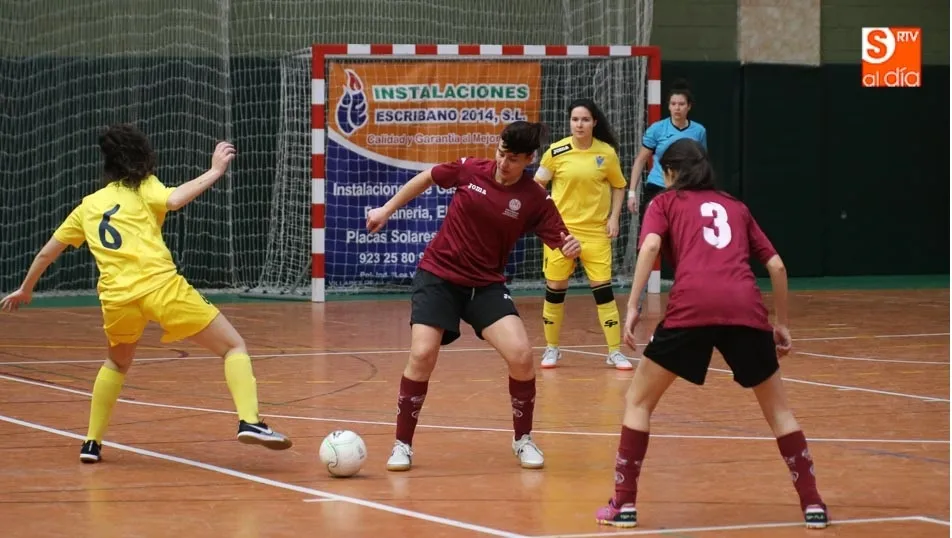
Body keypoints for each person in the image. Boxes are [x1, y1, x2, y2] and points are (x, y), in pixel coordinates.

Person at [0, 124, 292, 463]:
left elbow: (47, 253)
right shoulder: (143, 187)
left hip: (117, 300)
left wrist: (26, 288)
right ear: (142, 156)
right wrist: (215, 170)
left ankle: (91, 443)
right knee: (233, 346)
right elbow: (176, 198)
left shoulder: (88, 206)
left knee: (116, 362)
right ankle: (250, 421)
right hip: (160, 287)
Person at [595, 139, 829, 529]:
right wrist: (782, 322)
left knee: (638, 401)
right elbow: (777, 267)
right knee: (779, 412)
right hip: (745, 308)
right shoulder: (736, 207)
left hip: (691, 308)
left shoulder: (665, 203)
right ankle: (813, 504)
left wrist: (633, 306)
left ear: (670, 173)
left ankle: (624, 505)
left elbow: (651, 244)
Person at [365, 121, 581, 472]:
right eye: (500, 152)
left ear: (529, 159)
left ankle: (523, 439)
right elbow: (428, 177)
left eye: (512, 158)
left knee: (522, 356)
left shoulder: (534, 198)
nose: (502, 162)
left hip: (485, 285)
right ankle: (402, 445)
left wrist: (571, 246)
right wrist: (385, 210)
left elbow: (562, 239)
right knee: (422, 353)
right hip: (438, 276)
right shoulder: (470, 170)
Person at [533, 98, 632, 371]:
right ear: (569, 122)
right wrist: (547, 217)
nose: (580, 124)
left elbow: (619, 186)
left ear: (594, 123)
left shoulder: (606, 153)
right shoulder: (555, 151)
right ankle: (552, 348)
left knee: (603, 292)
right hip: (561, 234)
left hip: (596, 233)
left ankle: (614, 352)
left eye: (585, 120)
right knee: (555, 290)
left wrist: (613, 218)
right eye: (575, 119)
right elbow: (536, 185)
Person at [627, 79, 707, 312]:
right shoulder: (657, 129)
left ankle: (690, 296)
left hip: (687, 191)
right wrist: (632, 192)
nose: (677, 107)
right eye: (673, 103)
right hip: (658, 190)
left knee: (686, 243)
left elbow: (702, 163)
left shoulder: (699, 131)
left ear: (689, 106)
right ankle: (637, 301)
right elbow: (640, 160)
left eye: (681, 104)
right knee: (649, 243)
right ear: (669, 106)